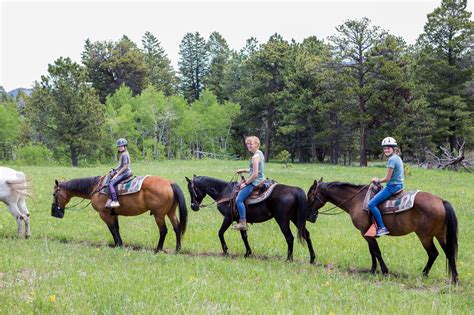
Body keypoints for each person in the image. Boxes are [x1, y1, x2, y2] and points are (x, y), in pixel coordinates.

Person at [368, 136, 404, 237]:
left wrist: (377, 180)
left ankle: (382, 227)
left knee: (371, 204)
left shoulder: (392, 160)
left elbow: (387, 178)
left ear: (393, 148)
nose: (386, 150)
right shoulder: (397, 157)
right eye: (384, 148)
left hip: (392, 187)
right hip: (399, 184)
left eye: (388, 148)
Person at [233, 136, 265, 231]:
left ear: (257, 144)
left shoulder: (255, 157)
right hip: (261, 178)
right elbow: (255, 170)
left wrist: (246, 183)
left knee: (238, 200)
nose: (248, 146)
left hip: (255, 181)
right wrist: (243, 170)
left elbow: (255, 174)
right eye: (247, 144)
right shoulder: (259, 153)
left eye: (251, 144)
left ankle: (243, 222)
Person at [108, 138, 132, 208]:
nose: (120, 148)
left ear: (125, 146)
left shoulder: (124, 155)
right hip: (124, 171)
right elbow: (120, 166)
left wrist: (117, 174)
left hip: (125, 173)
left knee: (111, 184)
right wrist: (115, 169)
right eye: (118, 146)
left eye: (121, 146)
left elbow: (125, 167)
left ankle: (115, 201)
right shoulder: (123, 154)